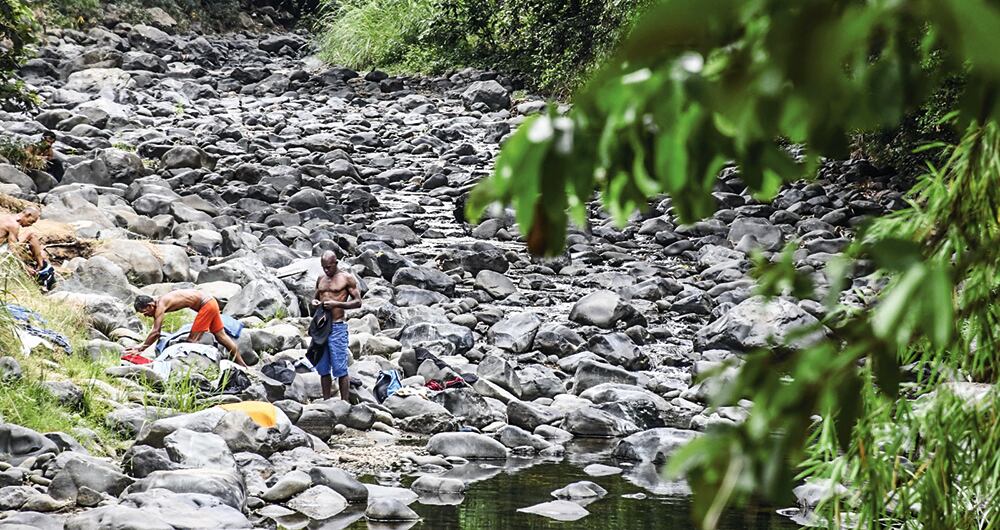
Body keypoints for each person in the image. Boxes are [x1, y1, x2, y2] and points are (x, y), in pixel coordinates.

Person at [126, 289, 248, 367]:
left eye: (144, 312)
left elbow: (156, 332)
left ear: (150, 305)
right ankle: (243, 365)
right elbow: (154, 332)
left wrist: (140, 349)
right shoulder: (157, 304)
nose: (146, 316)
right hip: (210, 302)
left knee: (191, 341)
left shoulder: (160, 305)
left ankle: (195, 367)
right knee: (221, 337)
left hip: (206, 305)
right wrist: (141, 346)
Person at [310, 251, 362, 401]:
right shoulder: (321, 279)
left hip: (337, 327)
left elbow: (358, 302)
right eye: (324, 267)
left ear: (336, 263)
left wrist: (337, 304)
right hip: (321, 327)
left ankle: (344, 402)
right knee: (323, 367)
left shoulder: (346, 278)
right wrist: (314, 303)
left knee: (340, 368)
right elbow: (314, 299)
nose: (327, 270)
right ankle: (326, 401)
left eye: (329, 267)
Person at [0, 207, 54, 289]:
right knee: (31, 234)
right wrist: (25, 267)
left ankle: (41, 265)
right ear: (28, 215)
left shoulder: (7, 217)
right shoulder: (14, 225)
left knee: (31, 237)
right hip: (2, 254)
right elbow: (12, 251)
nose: (30, 224)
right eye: (31, 221)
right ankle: (41, 267)